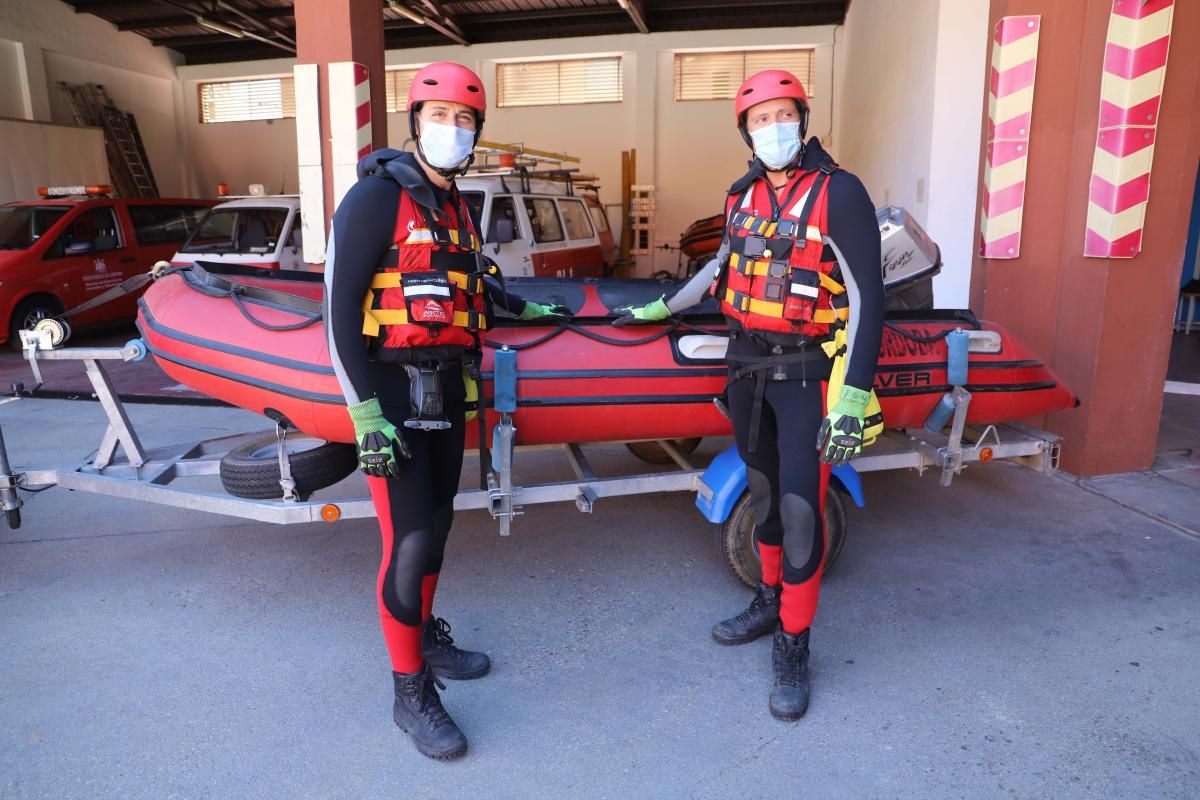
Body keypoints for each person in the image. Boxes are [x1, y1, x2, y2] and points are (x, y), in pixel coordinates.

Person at [615, 69, 884, 720]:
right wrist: (660, 307)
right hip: (746, 372)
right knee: (762, 495)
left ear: (803, 118)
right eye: (760, 119)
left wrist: (851, 398)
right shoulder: (741, 198)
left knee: (799, 510)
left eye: (783, 115)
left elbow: (869, 300)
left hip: (806, 379)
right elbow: (717, 271)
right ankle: (769, 601)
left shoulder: (840, 194)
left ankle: (794, 644)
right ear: (746, 129)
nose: (773, 129)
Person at [326, 62, 566, 760]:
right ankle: (409, 695)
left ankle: (426, 641)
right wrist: (364, 414)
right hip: (392, 397)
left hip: (446, 392)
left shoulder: (457, 208)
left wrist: (527, 307)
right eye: (441, 119)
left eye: (465, 122)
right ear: (414, 123)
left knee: (435, 531)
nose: (453, 132)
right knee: (405, 542)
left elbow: (471, 290)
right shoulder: (375, 199)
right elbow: (338, 310)